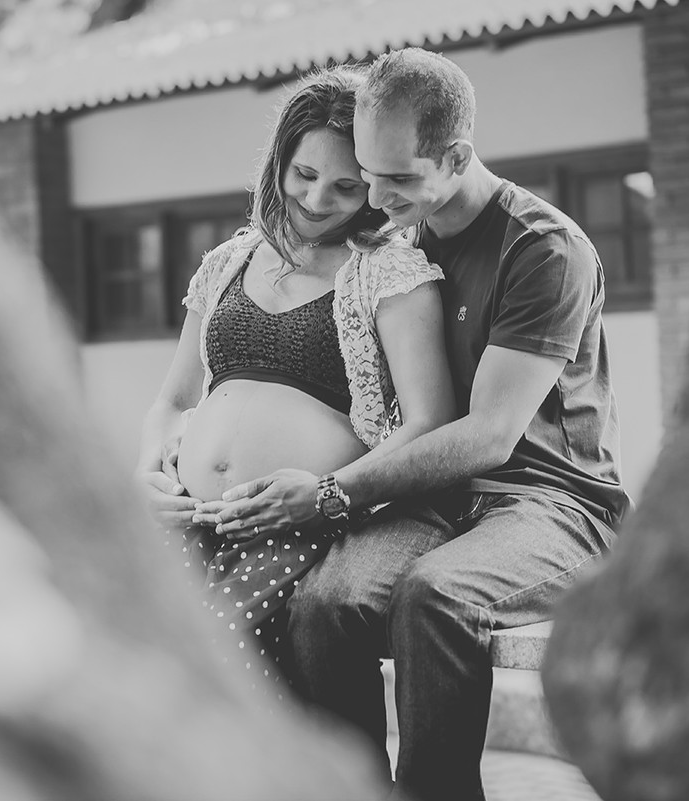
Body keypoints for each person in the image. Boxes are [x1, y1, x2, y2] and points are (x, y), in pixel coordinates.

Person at [203, 49, 631, 800]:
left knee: (435, 596)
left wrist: (334, 492)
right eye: (368, 173)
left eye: (395, 179)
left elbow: (489, 435)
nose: (373, 194)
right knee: (325, 605)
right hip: (441, 497)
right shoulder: (407, 238)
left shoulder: (543, 248)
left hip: (548, 502)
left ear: (456, 156)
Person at [135, 65, 455, 701]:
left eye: (344, 186)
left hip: (297, 528)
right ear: (277, 160)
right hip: (191, 523)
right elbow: (173, 401)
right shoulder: (228, 263)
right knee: (135, 655)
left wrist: (328, 493)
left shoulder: (390, 273)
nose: (315, 200)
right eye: (304, 175)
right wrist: (146, 475)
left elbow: (430, 423)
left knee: (212, 671)